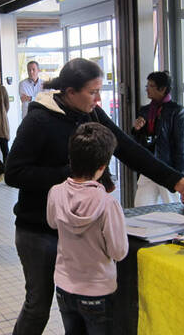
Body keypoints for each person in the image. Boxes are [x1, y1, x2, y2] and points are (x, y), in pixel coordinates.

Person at [5, 58, 184, 335]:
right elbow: (13, 173)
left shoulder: (91, 114)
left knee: (73, 306)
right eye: (92, 91)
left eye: (100, 91)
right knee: (38, 306)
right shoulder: (39, 119)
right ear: (70, 91)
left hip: (72, 233)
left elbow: (128, 149)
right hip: (37, 230)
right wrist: (72, 174)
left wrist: (177, 181)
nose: (98, 99)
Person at [47, 122, 128, 335]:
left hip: (64, 288)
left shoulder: (56, 192)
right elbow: (118, 252)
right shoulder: (108, 204)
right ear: (103, 165)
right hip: (98, 291)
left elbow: (52, 223)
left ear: (71, 158)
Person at [131, 71, 184, 205]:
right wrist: (137, 130)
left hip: (168, 167)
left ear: (162, 89)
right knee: (141, 204)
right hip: (148, 165)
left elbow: (182, 142)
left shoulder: (177, 111)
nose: (147, 89)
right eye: (147, 85)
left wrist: (180, 172)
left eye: (151, 86)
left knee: (173, 204)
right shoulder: (145, 111)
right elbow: (140, 141)